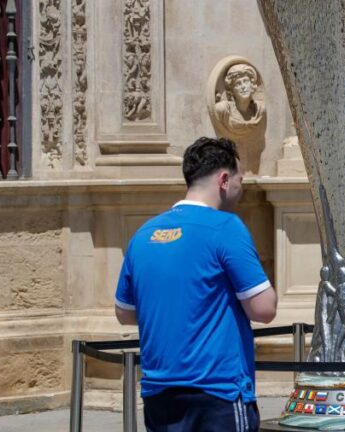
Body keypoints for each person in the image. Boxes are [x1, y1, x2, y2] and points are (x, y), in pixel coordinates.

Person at [114, 137, 277, 432]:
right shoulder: (227, 227)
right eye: (241, 179)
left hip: (159, 392)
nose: (242, 187)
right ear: (224, 179)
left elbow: (124, 313)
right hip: (218, 390)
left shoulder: (143, 234)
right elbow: (264, 309)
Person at [214, 63, 266, 136]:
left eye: (246, 81)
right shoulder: (223, 109)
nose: (243, 87)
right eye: (238, 84)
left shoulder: (259, 110)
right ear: (232, 91)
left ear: (252, 85)